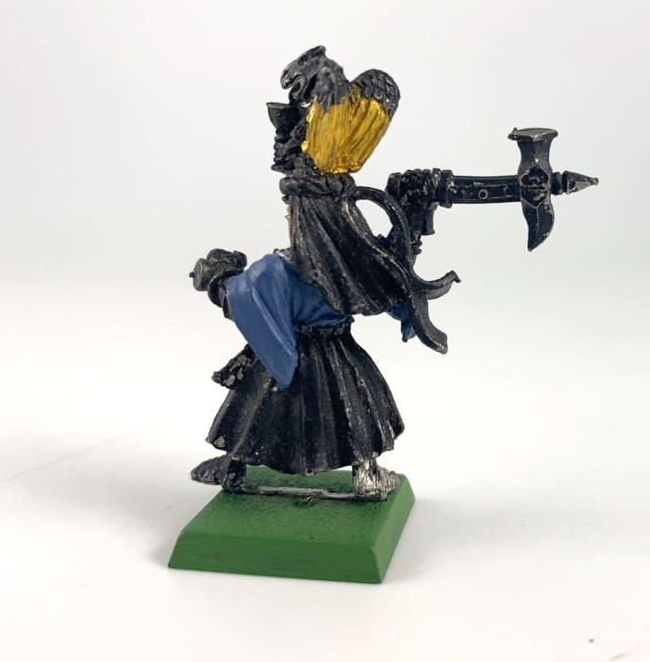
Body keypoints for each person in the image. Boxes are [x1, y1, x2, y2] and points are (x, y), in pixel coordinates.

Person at [190, 47, 458, 500]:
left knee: (268, 407)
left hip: (309, 349)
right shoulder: (341, 259)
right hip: (336, 355)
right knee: (334, 409)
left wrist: (218, 280)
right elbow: (379, 278)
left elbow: (248, 295)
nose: (289, 211)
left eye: (292, 204)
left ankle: (351, 472)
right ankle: (246, 465)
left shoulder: (280, 269)